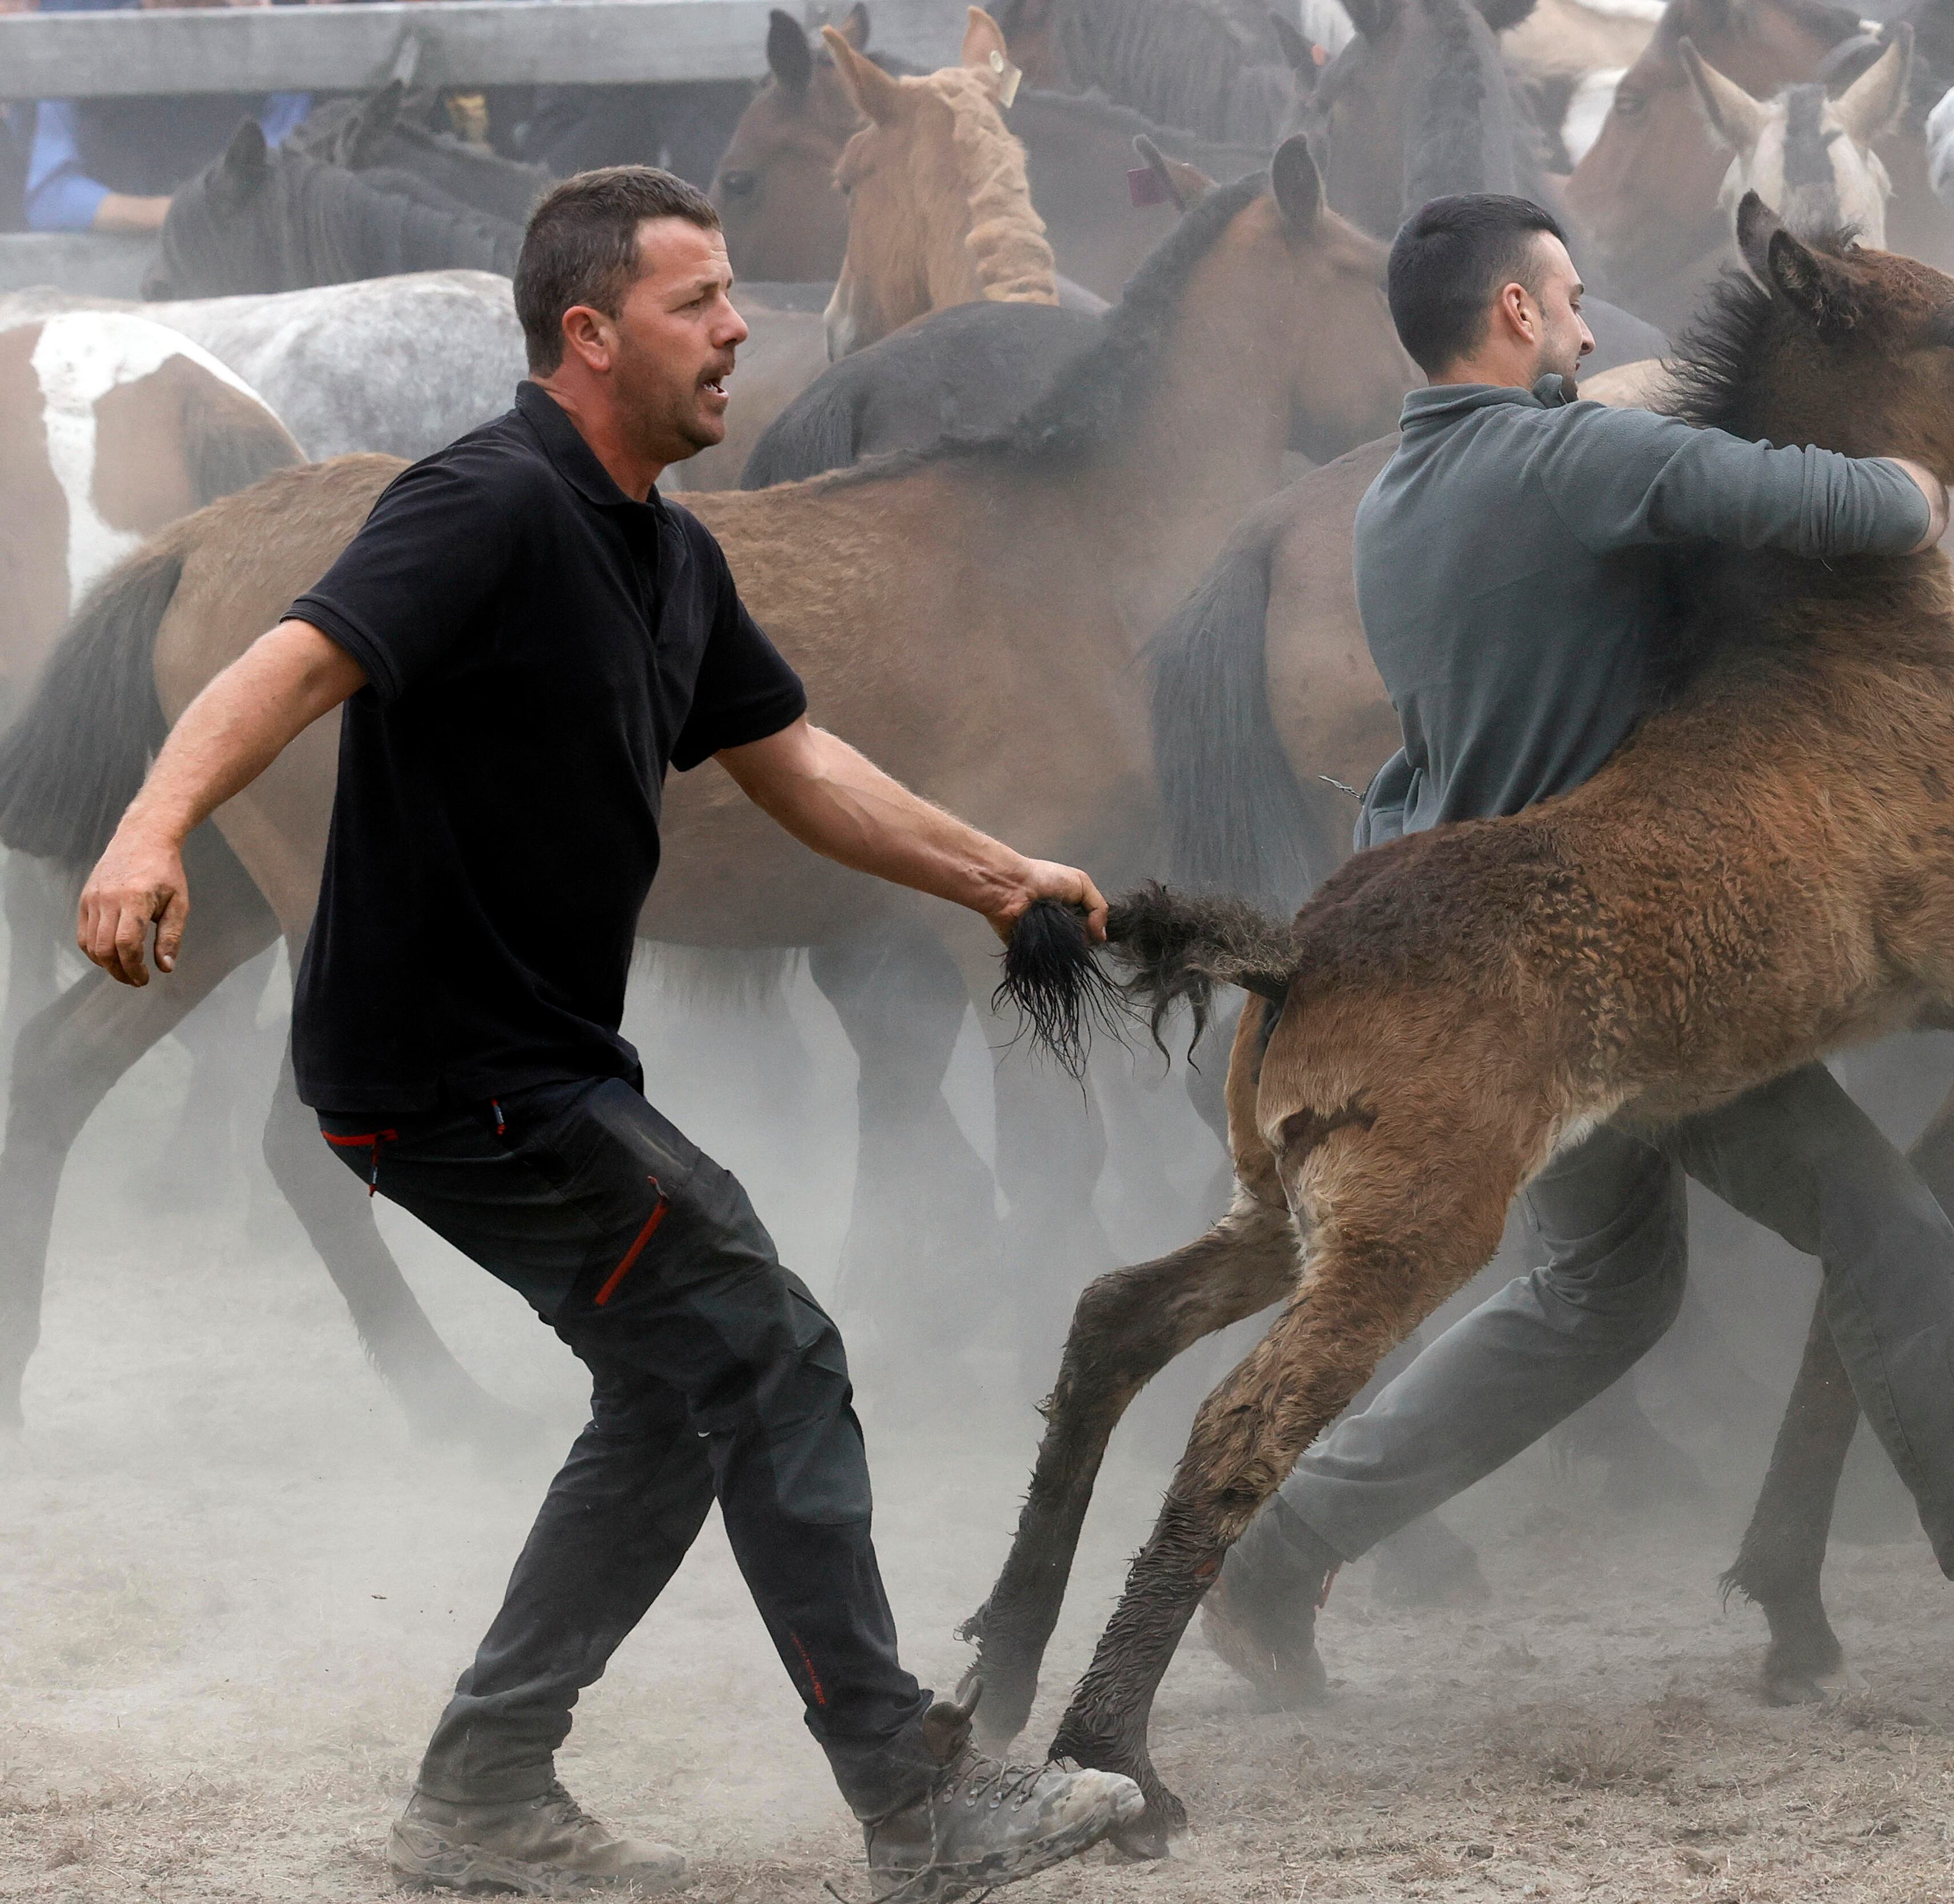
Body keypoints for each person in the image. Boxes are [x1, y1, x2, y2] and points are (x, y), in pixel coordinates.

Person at [73, 166, 1141, 1897]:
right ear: (588, 333)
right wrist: (147, 828)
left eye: (731, 297)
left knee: (676, 1391)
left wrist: (992, 868)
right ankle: (914, 1801)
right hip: (454, 1067)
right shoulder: (484, 504)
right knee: (774, 1347)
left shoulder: (662, 552)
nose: (738, 331)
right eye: (698, 303)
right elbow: (286, 660)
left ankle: (483, 1787)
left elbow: (797, 767)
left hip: (524, 1071)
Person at [1200, 194, 1954, 1728]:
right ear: (1517, 317)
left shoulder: (1413, 486)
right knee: (1887, 1232)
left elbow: (1637, 631)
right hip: (1609, 946)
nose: (1598, 327)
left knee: (1603, 1290)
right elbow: (1881, 506)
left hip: (1503, 948)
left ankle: (1279, 1542)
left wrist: (1886, 658)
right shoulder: (1571, 453)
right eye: (1573, 295)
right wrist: (1908, 507)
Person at [21, 0, 310, 235]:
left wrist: (263, 41)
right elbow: (51, 198)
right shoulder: (80, 45)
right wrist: (178, 215)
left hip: (239, 277)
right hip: (105, 287)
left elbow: (279, 187)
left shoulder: (275, 45)